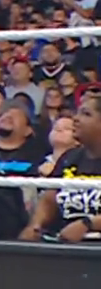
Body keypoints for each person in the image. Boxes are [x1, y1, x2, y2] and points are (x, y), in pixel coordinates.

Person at [22, 90, 101, 243]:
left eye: (86, 114)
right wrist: (35, 225)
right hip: (65, 245)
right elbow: (49, 199)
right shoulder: (70, 157)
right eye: (78, 113)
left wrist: (88, 224)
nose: (76, 119)